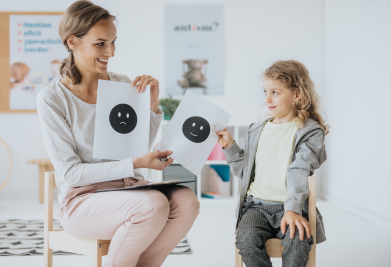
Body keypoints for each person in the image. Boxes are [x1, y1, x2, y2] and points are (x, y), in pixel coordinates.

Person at [36, 1, 199, 266]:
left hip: (130, 188)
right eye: (100, 44)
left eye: (113, 42)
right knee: (154, 205)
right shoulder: (53, 98)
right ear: (72, 43)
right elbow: (70, 174)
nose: (110, 52)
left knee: (187, 201)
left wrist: (152, 106)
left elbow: (136, 148)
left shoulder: (123, 84)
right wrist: (136, 164)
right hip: (83, 201)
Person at [216, 60, 329, 267]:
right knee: (246, 240)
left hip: (291, 208)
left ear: (297, 94)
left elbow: (300, 169)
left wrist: (293, 210)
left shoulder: (310, 131)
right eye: (265, 92)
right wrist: (230, 147)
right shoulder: (256, 129)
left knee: (299, 241)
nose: (267, 99)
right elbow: (245, 173)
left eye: (275, 92)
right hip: (255, 207)